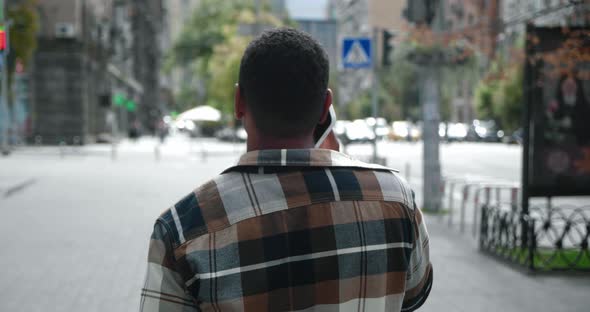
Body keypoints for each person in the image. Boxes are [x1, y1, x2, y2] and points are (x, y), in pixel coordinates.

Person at [140, 28, 432, 312]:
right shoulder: (393, 197)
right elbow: (415, 293)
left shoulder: (183, 228)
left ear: (239, 102)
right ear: (325, 107)